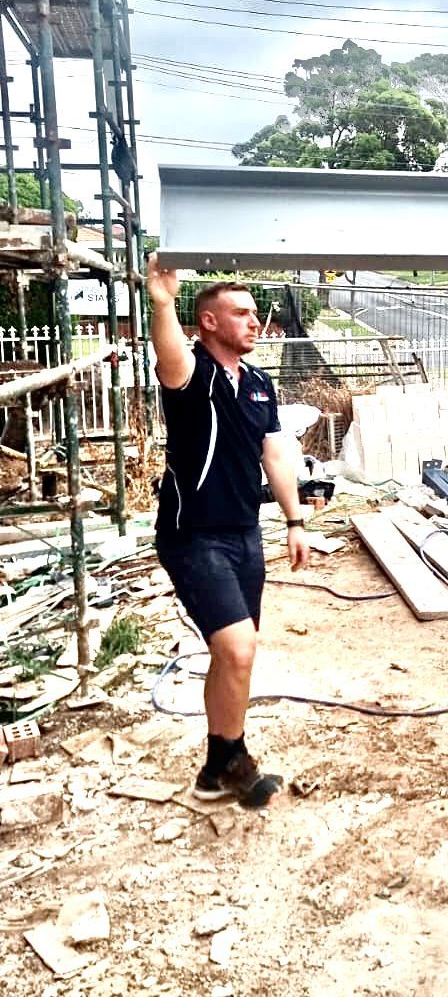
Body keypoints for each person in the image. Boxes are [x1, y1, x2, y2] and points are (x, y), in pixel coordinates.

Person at [147, 255, 310, 806]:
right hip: (193, 535)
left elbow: (275, 455)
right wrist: (163, 302)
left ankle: (215, 767)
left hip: (244, 533)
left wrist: (293, 520)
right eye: (241, 313)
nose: (255, 321)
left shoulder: (260, 381)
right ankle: (235, 759)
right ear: (210, 322)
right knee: (238, 647)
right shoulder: (193, 374)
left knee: (233, 653)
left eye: (255, 312)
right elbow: (167, 355)